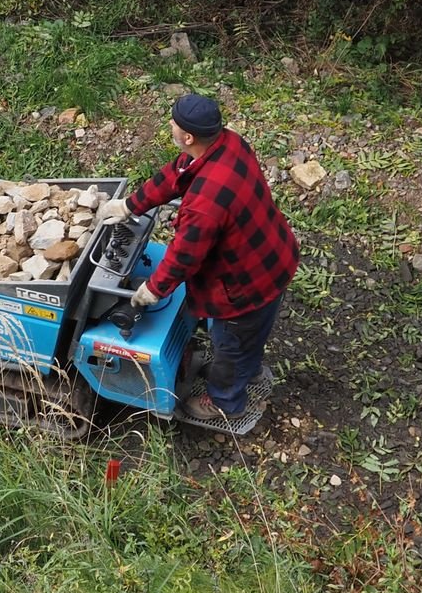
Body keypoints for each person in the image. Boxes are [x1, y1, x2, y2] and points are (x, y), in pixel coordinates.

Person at [98, 94, 299, 420]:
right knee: (252, 332)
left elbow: (184, 257)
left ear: (188, 136)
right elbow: (176, 174)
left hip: (245, 286)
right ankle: (250, 370)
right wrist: (130, 205)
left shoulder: (206, 201)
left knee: (229, 344)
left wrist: (152, 290)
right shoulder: (228, 143)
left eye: (173, 123)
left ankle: (225, 402)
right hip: (274, 256)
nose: (170, 126)